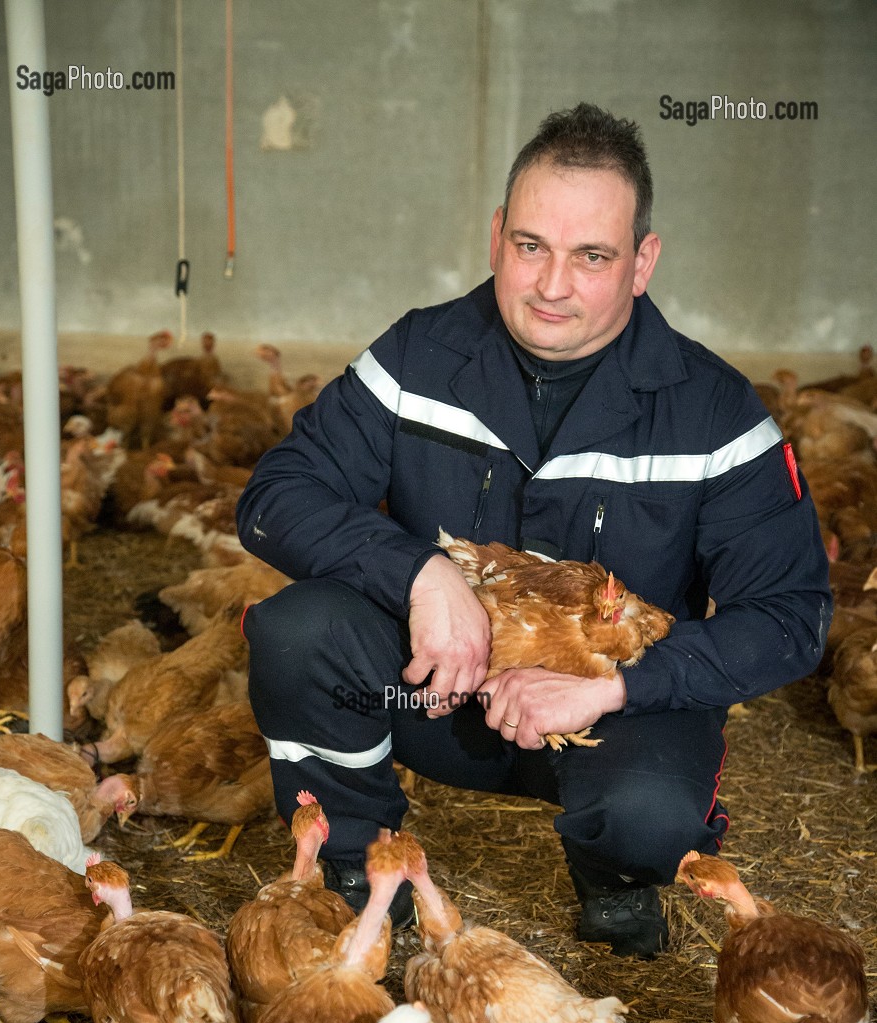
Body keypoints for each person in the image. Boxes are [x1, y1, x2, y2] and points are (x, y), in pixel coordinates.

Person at [236, 103, 830, 960]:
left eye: (591, 256)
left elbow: (790, 616)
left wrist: (611, 689)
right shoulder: (418, 357)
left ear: (641, 262)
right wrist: (420, 577)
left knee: (648, 817)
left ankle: (619, 875)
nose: (552, 285)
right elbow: (275, 493)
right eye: (530, 247)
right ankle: (356, 864)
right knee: (296, 632)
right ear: (495, 238)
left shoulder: (712, 410)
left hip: (612, 716)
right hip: (431, 692)